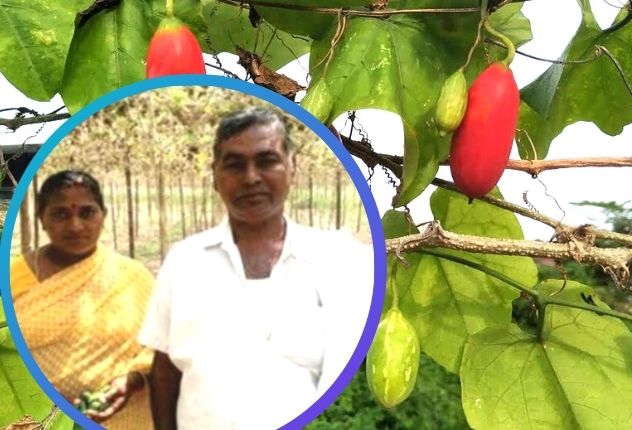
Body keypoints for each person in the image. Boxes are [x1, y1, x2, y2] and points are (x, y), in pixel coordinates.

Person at [138, 107, 373, 430]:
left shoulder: (336, 258)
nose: (251, 178)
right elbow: (164, 369)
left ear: (293, 168)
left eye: (267, 161)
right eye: (235, 165)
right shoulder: (183, 260)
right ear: (215, 176)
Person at [10, 170, 155, 429]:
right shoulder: (12, 277)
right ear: (41, 218)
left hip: (122, 417)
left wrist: (131, 379)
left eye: (87, 212)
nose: (76, 225)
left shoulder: (133, 277)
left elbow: (162, 343)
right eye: (61, 214)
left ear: (103, 215)